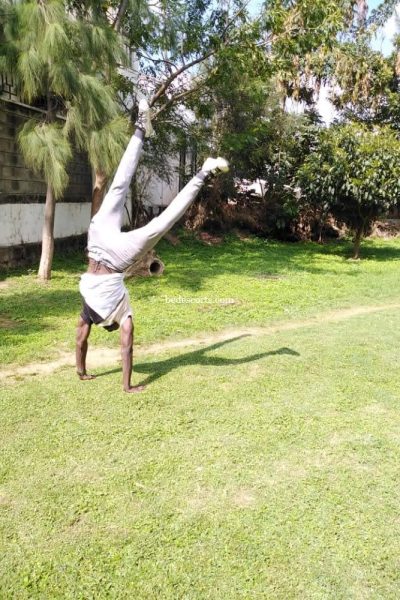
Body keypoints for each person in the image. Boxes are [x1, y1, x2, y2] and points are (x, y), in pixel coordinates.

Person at [76, 100, 229, 392]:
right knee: (122, 189)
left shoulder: (118, 312)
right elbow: (83, 340)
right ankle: (143, 130)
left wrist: (120, 383)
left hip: (108, 250)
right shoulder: (98, 310)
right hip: (97, 243)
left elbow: (116, 345)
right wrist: (84, 372)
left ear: (110, 322)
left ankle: (156, 137)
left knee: (154, 217)